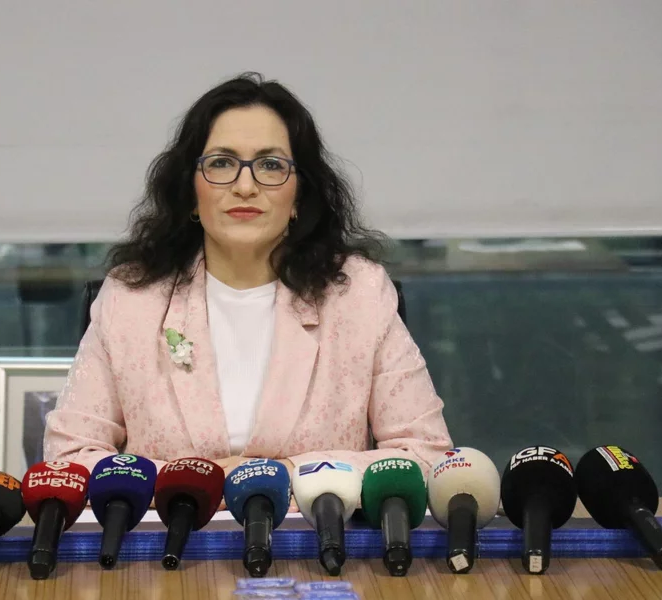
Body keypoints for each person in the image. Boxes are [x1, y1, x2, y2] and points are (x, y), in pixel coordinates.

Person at [43, 73, 452, 481]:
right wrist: (193, 482)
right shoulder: (132, 300)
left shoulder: (358, 295)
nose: (244, 186)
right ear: (191, 192)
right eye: (221, 163)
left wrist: (285, 474)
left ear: (299, 195)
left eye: (270, 166)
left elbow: (425, 454)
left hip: (316, 523)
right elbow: (69, 457)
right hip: (174, 523)